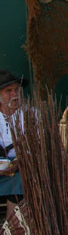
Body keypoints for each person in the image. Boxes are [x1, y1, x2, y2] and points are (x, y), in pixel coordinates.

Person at [0, 70, 27, 207]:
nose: (15, 95)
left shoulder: (31, 116)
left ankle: (12, 226)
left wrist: (19, 162)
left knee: (20, 181)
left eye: (17, 90)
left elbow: (40, 148)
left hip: (21, 169)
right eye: (8, 91)